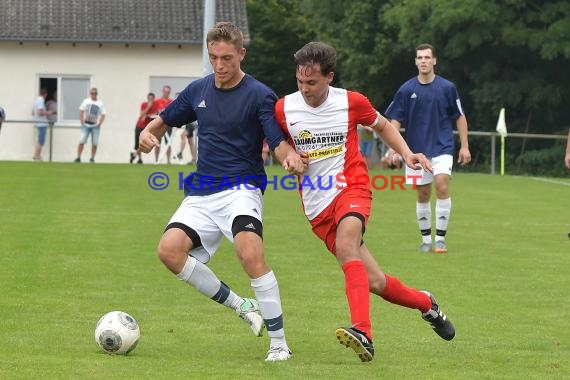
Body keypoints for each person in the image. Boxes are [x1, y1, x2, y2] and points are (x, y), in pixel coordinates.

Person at [275, 41, 455, 363]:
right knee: (375, 282)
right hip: (316, 207)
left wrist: (406, 153)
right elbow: (279, 147)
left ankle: (363, 332)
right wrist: (289, 159)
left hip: (352, 186)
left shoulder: (351, 102)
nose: (304, 89)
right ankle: (427, 304)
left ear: (329, 76)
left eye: (312, 82)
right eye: (300, 81)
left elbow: (383, 125)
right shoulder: (283, 108)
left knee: (348, 245)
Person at [139, 22, 307, 362]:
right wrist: (147, 133)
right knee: (169, 251)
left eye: (226, 58)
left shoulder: (259, 94)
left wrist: (289, 157)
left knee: (249, 254)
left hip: (242, 189)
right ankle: (242, 305)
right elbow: (164, 120)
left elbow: (276, 142)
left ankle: (279, 342)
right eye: (213, 57)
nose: (219, 65)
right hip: (202, 192)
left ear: (241, 54)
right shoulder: (198, 90)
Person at [385, 43, 471, 253]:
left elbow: (459, 117)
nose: (423, 61)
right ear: (416, 61)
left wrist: (465, 146)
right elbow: (394, 120)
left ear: (434, 60)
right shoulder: (406, 90)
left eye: (427, 57)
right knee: (423, 194)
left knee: (442, 185)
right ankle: (426, 240)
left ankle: (440, 239)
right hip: (416, 152)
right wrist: (394, 149)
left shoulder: (447, 88)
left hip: (442, 148)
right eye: (420, 57)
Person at [74, 88, 106, 163]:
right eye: (92, 93)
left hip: (95, 125)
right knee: (82, 141)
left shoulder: (100, 103)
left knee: (95, 142)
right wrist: (82, 122)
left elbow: (103, 114)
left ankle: (92, 158)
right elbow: (81, 111)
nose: (93, 94)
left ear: (97, 94)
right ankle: (78, 157)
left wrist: (100, 123)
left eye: (95, 93)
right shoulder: (86, 101)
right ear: (90, 93)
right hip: (86, 124)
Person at [131, 92, 159, 164]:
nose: (150, 100)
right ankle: (139, 158)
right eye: (149, 99)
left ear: (153, 99)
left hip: (147, 128)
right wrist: (148, 107)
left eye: (151, 99)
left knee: (145, 142)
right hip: (139, 126)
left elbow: (156, 114)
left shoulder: (156, 105)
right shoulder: (144, 104)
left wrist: (147, 115)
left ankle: (134, 154)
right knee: (138, 143)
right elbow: (141, 115)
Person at [32, 88, 54, 161]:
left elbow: (34, 112)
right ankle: (36, 156)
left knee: (40, 140)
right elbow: (39, 112)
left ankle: (37, 155)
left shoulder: (37, 100)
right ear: (45, 94)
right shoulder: (41, 100)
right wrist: (49, 112)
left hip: (39, 123)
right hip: (41, 123)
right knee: (41, 140)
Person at [154, 85, 174, 164]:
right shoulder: (157, 101)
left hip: (168, 124)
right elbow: (155, 112)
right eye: (165, 92)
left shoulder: (172, 101)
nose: (167, 93)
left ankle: (168, 161)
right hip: (159, 124)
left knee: (168, 142)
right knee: (157, 142)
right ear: (163, 92)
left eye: (168, 92)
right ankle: (156, 160)